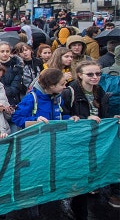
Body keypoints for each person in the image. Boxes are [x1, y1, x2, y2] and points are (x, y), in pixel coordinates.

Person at [61, 60, 109, 220]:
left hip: (95, 139)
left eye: (98, 74)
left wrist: (112, 120)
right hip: (77, 141)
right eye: (90, 74)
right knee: (79, 179)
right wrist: (84, 118)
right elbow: (64, 117)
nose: (95, 77)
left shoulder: (99, 91)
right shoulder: (69, 92)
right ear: (80, 75)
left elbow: (103, 114)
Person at [12, 68, 79, 128]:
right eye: (62, 84)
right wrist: (35, 120)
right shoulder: (31, 98)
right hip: (38, 138)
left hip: (54, 136)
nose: (65, 87)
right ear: (52, 86)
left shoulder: (58, 97)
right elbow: (17, 118)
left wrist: (69, 119)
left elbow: (58, 117)